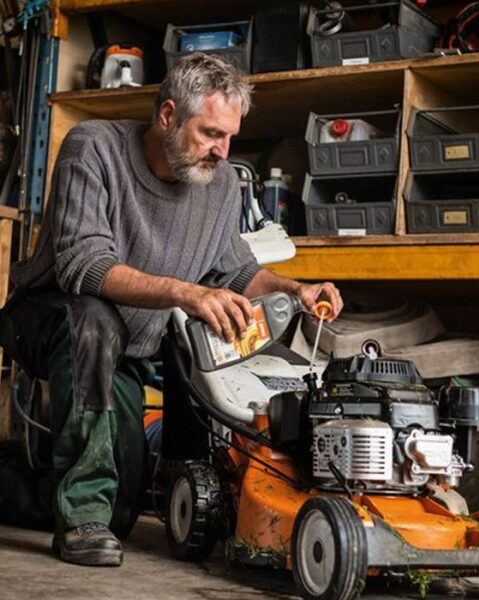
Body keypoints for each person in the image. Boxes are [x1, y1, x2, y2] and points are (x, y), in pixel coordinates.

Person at [0, 52, 343, 567]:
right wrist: (186, 293)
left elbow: (234, 270)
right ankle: (80, 516)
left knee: (118, 512)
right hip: (49, 319)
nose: (223, 151)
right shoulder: (93, 148)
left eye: (230, 137)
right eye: (210, 133)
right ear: (167, 116)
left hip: (125, 351)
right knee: (94, 319)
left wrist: (295, 290)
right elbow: (83, 267)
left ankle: (36, 489)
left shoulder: (220, 185)